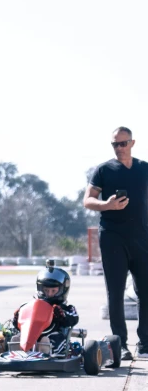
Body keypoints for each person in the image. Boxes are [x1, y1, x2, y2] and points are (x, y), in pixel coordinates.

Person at [83, 126, 148, 360]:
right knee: (116, 292)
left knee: (146, 292)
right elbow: (88, 200)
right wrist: (107, 205)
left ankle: (145, 344)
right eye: (115, 144)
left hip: (142, 237)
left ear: (132, 143)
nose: (119, 148)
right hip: (112, 236)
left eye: (123, 143)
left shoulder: (144, 168)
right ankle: (119, 344)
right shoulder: (104, 170)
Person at [10, 264, 78, 354]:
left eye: (53, 291)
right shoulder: (31, 306)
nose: (49, 294)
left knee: (47, 340)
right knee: (17, 337)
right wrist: (17, 318)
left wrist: (62, 315)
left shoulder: (66, 308)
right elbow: (20, 325)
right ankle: (17, 351)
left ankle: (45, 351)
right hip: (32, 335)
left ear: (62, 290)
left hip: (54, 335)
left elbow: (74, 319)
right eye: (46, 290)